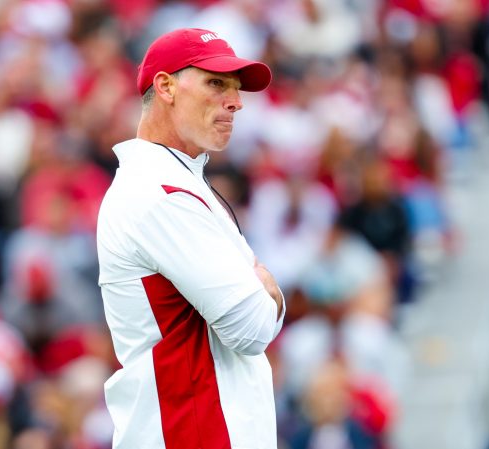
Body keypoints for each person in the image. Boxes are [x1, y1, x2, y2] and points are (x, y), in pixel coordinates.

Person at [96, 28, 285, 449]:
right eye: (216, 83)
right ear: (165, 86)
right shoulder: (159, 194)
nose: (235, 102)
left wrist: (267, 296)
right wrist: (268, 289)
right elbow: (253, 329)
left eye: (235, 90)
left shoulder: (172, 182)